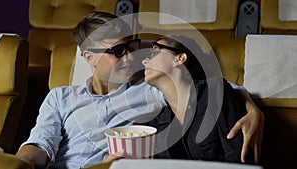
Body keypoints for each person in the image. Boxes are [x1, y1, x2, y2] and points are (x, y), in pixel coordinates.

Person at [16, 12, 263, 168]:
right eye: (117, 52)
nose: (130, 58)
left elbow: (209, 89)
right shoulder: (60, 97)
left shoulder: (149, 89)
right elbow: (40, 145)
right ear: (89, 58)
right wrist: (19, 164)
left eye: (131, 47)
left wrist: (253, 109)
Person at [138, 34, 257, 163]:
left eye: (154, 52)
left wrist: (253, 109)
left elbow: (239, 158)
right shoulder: (158, 122)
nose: (144, 61)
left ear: (179, 58)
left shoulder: (215, 91)